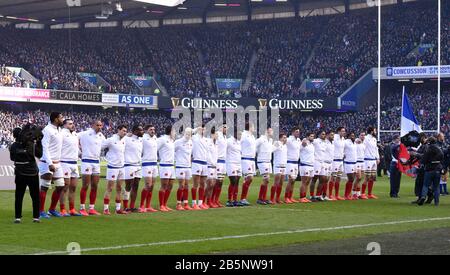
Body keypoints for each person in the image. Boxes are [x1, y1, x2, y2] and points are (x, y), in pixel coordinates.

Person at [10, 125, 42, 223]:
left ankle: (17, 217)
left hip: (20, 173)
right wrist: (39, 142)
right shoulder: (31, 144)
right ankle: (36, 217)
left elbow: (12, 158)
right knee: (35, 196)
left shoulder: (13, 146)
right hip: (32, 173)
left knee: (19, 195)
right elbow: (39, 154)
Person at [38, 112, 64, 219]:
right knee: (44, 187)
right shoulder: (47, 130)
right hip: (47, 163)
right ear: (55, 119)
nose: (63, 119)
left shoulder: (59, 130)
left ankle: (52, 209)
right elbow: (45, 147)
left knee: (60, 186)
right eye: (61, 117)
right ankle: (40, 211)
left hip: (58, 163)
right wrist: (49, 163)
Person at [78, 120, 106, 216]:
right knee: (85, 185)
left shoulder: (101, 136)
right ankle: (82, 208)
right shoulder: (85, 133)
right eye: (97, 125)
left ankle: (91, 208)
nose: (99, 127)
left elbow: (105, 145)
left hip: (96, 163)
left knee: (95, 186)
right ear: (92, 125)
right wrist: (79, 151)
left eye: (100, 125)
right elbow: (74, 139)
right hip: (86, 162)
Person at [102, 125, 128, 215]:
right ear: (118, 130)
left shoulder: (125, 140)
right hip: (112, 167)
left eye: (125, 131)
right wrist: (106, 157)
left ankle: (118, 209)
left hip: (121, 167)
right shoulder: (111, 139)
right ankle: (105, 209)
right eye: (123, 131)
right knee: (110, 188)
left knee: (119, 188)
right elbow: (101, 147)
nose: (124, 133)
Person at [59, 119, 82, 216]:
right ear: (64, 125)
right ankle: (62, 209)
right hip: (65, 163)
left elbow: (76, 148)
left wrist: (81, 154)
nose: (72, 125)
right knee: (65, 187)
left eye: (73, 123)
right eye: (70, 124)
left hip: (74, 163)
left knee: (73, 187)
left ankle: (72, 209)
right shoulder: (62, 133)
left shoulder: (76, 135)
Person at [123, 125, 144, 213]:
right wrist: (127, 134)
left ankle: (132, 207)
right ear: (135, 131)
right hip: (129, 165)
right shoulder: (127, 139)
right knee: (128, 186)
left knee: (135, 187)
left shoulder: (141, 140)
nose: (142, 132)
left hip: (138, 166)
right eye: (141, 130)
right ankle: (125, 207)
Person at [418, 137, 444, 206]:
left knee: (426, 185)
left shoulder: (427, 149)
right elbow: (442, 155)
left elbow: (423, 159)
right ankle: (436, 202)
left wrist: (426, 162)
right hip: (437, 169)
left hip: (429, 169)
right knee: (436, 186)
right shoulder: (439, 148)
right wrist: (437, 161)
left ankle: (423, 197)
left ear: (429, 142)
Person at [139, 125, 159, 213]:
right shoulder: (143, 138)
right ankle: (141, 206)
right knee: (148, 185)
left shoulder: (155, 137)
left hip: (155, 163)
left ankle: (148, 206)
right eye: (151, 129)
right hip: (146, 163)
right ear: (147, 131)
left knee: (152, 186)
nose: (153, 131)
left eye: (154, 129)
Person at [157, 125, 176, 211]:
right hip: (164, 165)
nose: (175, 133)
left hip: (171, 165)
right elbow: (155, 148)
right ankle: (161, 205)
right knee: (164, 185)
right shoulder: (162, 139)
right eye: (174, 131)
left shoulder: (172, 140)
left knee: (170, 186)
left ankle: (165, 204)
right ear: (170, 131)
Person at [174, 128, 193, 211]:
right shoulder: (178, 142)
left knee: (186, 185)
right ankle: (178, 204)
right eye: (187, 133)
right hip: (180, 166)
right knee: (181, 185)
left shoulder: (191, 142)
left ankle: (185, 203)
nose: (189, 135)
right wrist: (177, 158)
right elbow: (172, 150)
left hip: (188, 166)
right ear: (184, 133)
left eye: (190, 133)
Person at [191, 124, 210, 210]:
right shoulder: (194, 137)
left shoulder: (206, 139)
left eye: (204, 129)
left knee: (203, 184)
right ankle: (194, 203)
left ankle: (200, 203)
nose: (203, 130)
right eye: (201, 129)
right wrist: (196, 129)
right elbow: (187, 133)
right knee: (196, 184)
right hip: (197, 162)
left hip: (204, 163)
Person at [255, 128, 274, 205]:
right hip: (262, 161)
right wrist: (257, 153)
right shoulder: (261, 139)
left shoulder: (270, 140)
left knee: (267, 180)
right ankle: (260, 198)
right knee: (266, 179)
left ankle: (263, 198)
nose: (272, 132)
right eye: (271, 131)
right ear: (267, 131)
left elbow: (270, 150)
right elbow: (254, 146)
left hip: (268, 161)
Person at [240, 123, 257, 206]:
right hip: (245, 158)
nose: (254, 128)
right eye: (253, 126)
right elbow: (238, 143)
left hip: (252, 160)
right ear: (250, 127)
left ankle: (243, 198)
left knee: (249, 179)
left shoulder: (252, 136)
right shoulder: (243, 134)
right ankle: (242, 198)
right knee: (249, 178)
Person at [361, 127, 380, 200]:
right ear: (372, 131)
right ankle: (362, 193)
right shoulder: (365, 138)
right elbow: (361, 144)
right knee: (367, 177)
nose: (376, 132)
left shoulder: (374, 139)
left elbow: (376, 149)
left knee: (372, 177)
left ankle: (369, 194)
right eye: (375, 131)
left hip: (373, 160)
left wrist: (377, 158)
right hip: (367, 160)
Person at [212, 125, 227, 207]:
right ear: (220, 128)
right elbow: (212, 143)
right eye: (224, 127)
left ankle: (216, 200)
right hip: (218, 161)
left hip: (223, 161)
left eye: (226, 128)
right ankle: (211, 200)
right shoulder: (218, 134)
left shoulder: (225, 137)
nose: (225, 129)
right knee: (216, 182)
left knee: (220, 182)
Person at [329, 127, 346, 201]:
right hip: (335, 160)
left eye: (344, 131)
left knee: (339, 178)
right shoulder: (335, 137)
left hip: (341, 161)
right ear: (338, 132)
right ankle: (330, 195)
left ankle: (336, 195)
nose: (343, 132)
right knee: (333, 178)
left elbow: (343, 149)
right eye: (342, 131)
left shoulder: (343, 139)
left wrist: (343, 154)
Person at [226, 130, 242, 207]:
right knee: (233, 181)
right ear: (235, 133)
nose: (240, 136)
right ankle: (229, 200)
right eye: (239, 134)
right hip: (231, 163)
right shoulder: (229, 141)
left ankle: (235, 200)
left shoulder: (239, 142)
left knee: (237, 181)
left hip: (238, 164)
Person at [285, 127, 301, 203]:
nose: (298, 133)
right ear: (293, 132)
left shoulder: (298, 140)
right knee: (290, 180)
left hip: (296, 163)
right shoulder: (289, 139)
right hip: (290, 162)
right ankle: (286, 197)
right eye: (297, 132)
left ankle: (290, 197)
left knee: (293, 181)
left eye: (299, 132)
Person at [310, 131, 327, 202]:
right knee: (314, 179)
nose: (324, 135)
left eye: (324, 134)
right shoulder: (316, 141)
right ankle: (311, 196)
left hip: (323, 162)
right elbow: (309, 140)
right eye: (322, 134)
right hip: (316, 161)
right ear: (319, 135)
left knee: (322, 179)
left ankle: (318, 195)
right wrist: (305, 140)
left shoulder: (325, 142)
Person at [205, 127, 219, 208]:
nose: (217, 136)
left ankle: (209, 201)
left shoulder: (216, 143)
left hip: (214, 166)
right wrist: (212, 162)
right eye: (216, 134)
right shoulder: (208, 142)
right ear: (213, 134)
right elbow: (208, 154)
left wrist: (216, 163)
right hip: (210, 165)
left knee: (213, 184)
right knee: (209, 184)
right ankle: (203, 201)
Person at [343, 132, 357, 200]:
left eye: (353, 135)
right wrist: (343, 154)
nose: (353, 137)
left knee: (352, 179)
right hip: (348, 163)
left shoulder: (354, 143)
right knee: (351, 178)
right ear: (348, 136)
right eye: (351, 135)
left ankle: (348, 194)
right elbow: (341, 148)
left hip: (354, 163)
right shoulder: (345, 142)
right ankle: (346, 195)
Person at [353, 133, 366, 199]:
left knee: (360, 179)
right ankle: (353, 192)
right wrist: (355, 141)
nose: (363, 136)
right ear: (359, 136)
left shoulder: (364, 144)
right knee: (358, 178)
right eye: (361, 135)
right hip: (357, 162)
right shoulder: (356, 142)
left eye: (364, 135)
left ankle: (358, 193)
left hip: (363, 162)